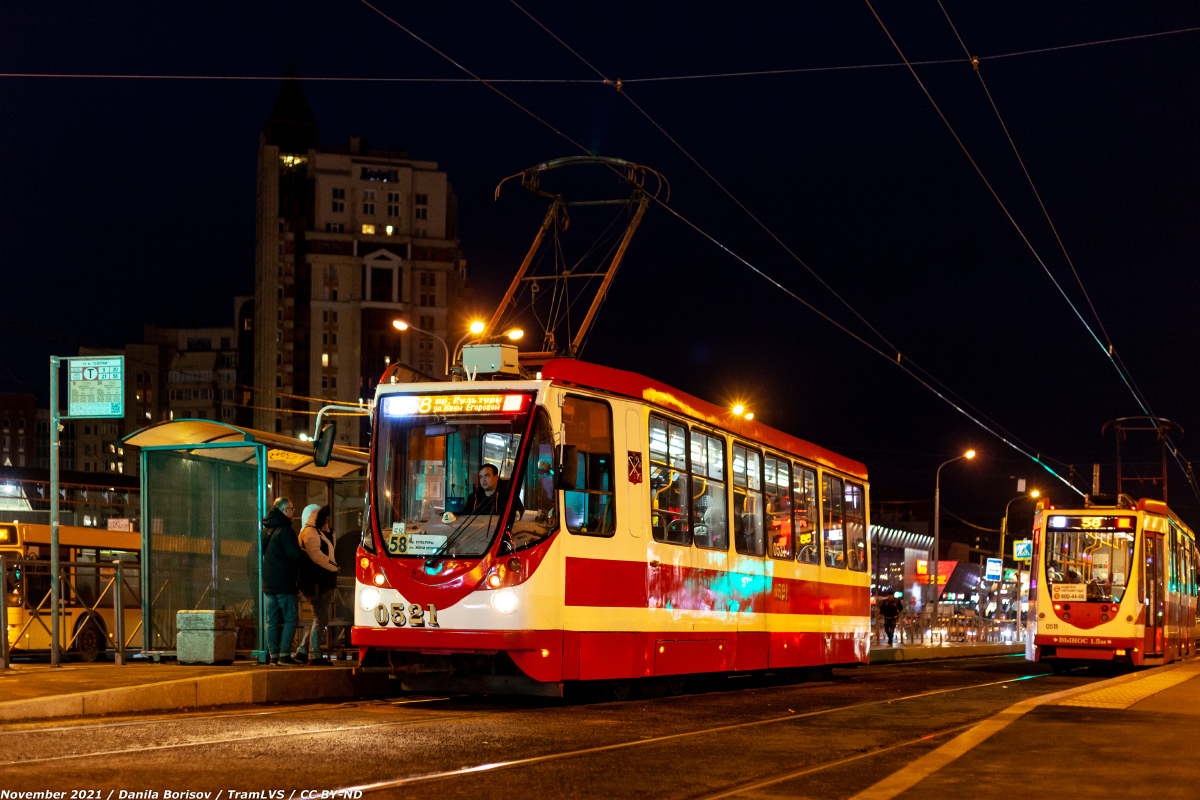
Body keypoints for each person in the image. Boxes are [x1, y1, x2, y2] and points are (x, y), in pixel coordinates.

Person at [295, 505, 339, 666]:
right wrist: (335, 567)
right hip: (318, 583)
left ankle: (302, 651)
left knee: (318, 619)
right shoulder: (309, 533)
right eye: (321, 517)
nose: (325, 520)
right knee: (320, 619)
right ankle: (315, 655)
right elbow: (319, 556)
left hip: (319, 582)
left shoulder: (318, 533)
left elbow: (330, 546)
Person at [261, 497, 303, 666]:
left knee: (271, 621)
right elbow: (294, 556)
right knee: (291, 618)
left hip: (269, 583)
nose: (293, 513)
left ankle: (274, 656)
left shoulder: (266, 530)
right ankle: (285, 655)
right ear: (285, 510)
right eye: (292, 509)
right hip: (284, 583)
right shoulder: (285, 530)